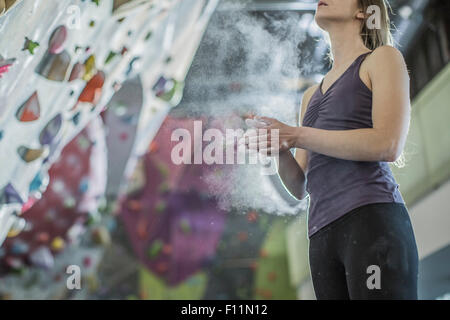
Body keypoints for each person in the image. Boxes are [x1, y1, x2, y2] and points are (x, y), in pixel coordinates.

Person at [243, 0, 419, 299]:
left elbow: (387, 144)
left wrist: (296, 134)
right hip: (322, 236)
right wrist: (280, 146)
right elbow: (300, 186)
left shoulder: (382, 59)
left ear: (363, 11)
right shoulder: (310, 96)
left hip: (370, 219)